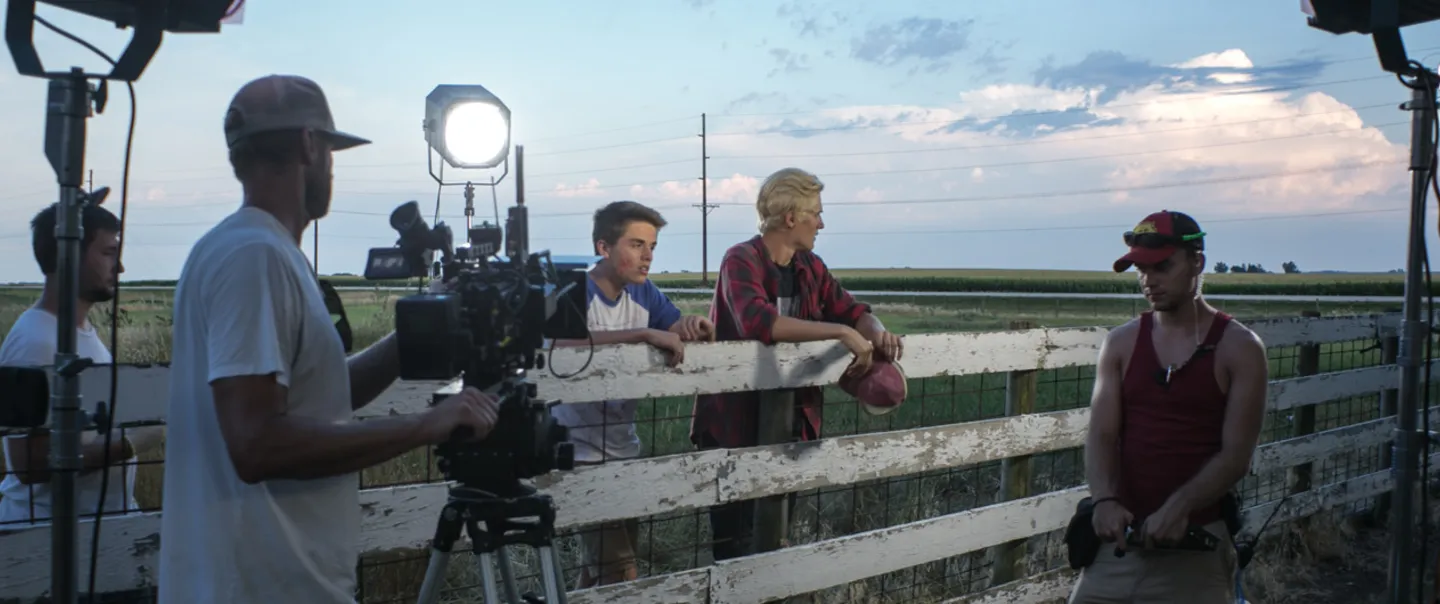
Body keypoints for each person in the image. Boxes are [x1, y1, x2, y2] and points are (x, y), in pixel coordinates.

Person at [158, 74, 502, 604]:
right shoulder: (255, 257)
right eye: (332, 154)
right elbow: (257, 444)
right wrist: (426, 425)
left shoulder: (244, 248)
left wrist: (422, 324)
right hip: (261, 586)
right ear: (308, 145)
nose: (331, 169)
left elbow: (318, 394)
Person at [689, 167, 903, 562]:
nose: (821, 223)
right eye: (815, 213)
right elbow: (759, 322)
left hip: (793, 426)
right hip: (734, 425)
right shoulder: (740, 260)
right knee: (735, 547)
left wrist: (877, 331)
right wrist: (839, 332)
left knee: (779, 542)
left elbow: (854, 310)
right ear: (791, 218)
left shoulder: (811, 267)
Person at [1068, 210, 1269, 604]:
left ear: (1198, 262)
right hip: (1118, 544)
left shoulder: (1240, 348)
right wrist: (1104, 500)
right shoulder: (1122, 343)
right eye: (1140, 269)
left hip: (1196, 547)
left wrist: (1179, 507)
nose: (1149, 280)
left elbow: (1236, 455)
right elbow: (1102, 434)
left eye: (1161, 266)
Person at [550, 200, 714, 587]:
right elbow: (561, 344)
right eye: (637, 244)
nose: (648, 256)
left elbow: (673, 326)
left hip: (624, 450)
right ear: (603, 247)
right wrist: (642, 334)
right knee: (621, 572)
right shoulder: (574, 291)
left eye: (652, 246)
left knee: (599, 573)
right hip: (577, 453)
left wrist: (693, 325)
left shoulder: (645, 294)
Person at [0, 202, 165, 526]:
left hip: (87, 533)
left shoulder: (78, 333)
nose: (119, 267)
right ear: (69, 255)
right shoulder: (34, 341)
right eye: (107, 252)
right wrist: (128, 445)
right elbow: (29, 463)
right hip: (45, 540)